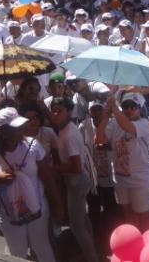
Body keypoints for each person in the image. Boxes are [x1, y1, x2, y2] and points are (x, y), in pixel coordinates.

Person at [0, 107, 60, 262]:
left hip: (38, 210)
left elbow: (47, 179)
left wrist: (57, 206)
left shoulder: (33, 146)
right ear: (3, 132)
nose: (22, 128)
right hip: (9, 215)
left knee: (42, 248)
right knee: (17, 254)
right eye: (16, 127)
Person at [95, 93, 149, 231]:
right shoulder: (115, 123)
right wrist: (105, 116)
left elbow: (128, 127)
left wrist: (114, 108)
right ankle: (135, 243)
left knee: (143, 215)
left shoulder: (144, 124)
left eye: (133, 106)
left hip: (140, 179)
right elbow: (99, 140)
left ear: (140, 109)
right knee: (128, 213)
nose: (129, 109)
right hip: (120, 178)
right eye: (125, 106)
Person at [49, 97, 98, 262]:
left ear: (68, 112)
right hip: (75, 181)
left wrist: (55, 168)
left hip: (77, 182)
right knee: (82, 218)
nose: (55, 114)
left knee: (76, 226)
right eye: (53, 110)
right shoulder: (66, 129)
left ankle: (91, 257)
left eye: (59, 111)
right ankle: (92, 248)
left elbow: (76, 167)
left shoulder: (68, 134)